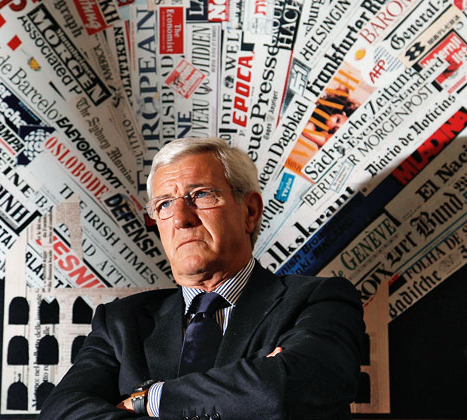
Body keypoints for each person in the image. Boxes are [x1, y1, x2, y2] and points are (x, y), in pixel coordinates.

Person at [38, 138, 365, 420]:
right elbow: (61, 411)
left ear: (249, 211)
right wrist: (246, 389)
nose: (181, 218)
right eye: (164, 204)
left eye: (202, 195)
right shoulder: (121, 322)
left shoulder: (319, 300)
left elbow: (281, 391)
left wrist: (149, 400)